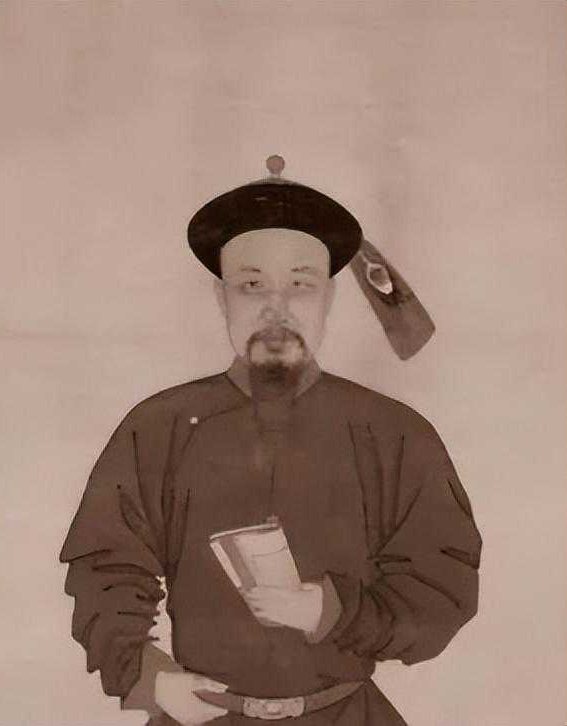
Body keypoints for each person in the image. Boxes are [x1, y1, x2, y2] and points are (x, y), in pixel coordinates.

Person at [60, 157, 482, 726]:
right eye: (251, 284)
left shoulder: (395, 433)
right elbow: (104, 568)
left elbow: (443, 585)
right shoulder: (159, 426)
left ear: (328, 298)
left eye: (300, 285)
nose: (275, 307)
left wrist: (333, 612)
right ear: (222, 297)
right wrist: (147, 678)